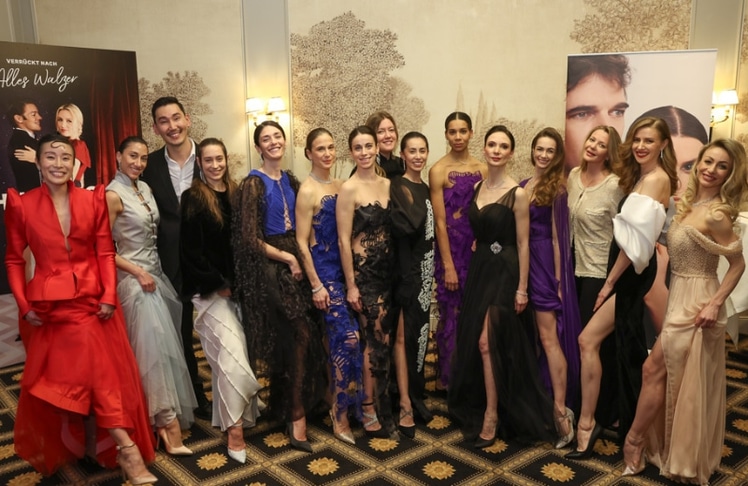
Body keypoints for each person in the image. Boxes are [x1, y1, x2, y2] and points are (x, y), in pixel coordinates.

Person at [5, 134, 157, 483]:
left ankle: (109, 445)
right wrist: (24, 304)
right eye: (50, 157)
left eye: (65, 157)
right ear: (38, 162)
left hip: (94, 303)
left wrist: (108, 295)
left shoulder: (93, 200)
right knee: (94, 374)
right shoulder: (22, 205)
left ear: (74, 163)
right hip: (51, 309)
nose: (58, 164)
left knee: (95, 374)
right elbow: (13, 259)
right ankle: (125, 448)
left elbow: (105, 252)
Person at [620, 139, 748, 484]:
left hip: (697, 302)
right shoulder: (688, 204)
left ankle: (635, 441)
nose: (711, 170)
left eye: (722, 166)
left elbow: (738, 265)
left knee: (655, 369)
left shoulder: (717, 213)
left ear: (730, 173)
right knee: (673, 375)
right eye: (708, 161)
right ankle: (667, 447)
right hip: (679, 293)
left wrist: (715, 303)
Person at [567, 117, 677, 460]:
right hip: (624, 273)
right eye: (637, 139)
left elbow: (634, 246)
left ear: (663, 144)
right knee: (615, 348)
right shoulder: (642, 176)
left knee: (611, 349)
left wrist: (609, 284)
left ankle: (606, 428)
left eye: (649, 140)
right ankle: (611, 423)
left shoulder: (656, 179)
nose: (641, 146)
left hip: (627, 275)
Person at [448, 125, 555, 448]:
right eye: (492, 145)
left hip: (506, 272)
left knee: (487, 342)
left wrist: (522, 288)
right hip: (481, 270)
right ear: (484, 149)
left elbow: (523, 243)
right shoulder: (477, 187)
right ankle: (489, 405)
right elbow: (478, 230)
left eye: (503, 146)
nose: (496, 150)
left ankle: (492, 415)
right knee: (480, 342)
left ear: (511, 153)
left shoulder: (517, 193)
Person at [232, 120, 326, 453]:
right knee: (298, 332)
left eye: (277, 136)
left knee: (301, 338)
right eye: (265, 138)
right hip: (271, 269)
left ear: (284, 141)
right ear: (258, 147)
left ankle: (294, 404)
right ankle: (296, 414)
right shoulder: (252, 184)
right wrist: (287, 258)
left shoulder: (290, 179)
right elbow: (249, 238)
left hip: (296, 259)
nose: (273, 142)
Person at [106, 136, 197, 456]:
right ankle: (165, 425)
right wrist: (137, 272)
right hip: (135, 282)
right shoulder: (112, 194)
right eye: (132, 156)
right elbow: (101, 248)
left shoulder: (144, 188)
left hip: (156, 277)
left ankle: (161, 423)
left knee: (164, 351)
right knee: (152, 355)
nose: (138, 163)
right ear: (118, 156)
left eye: (143, 158)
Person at [181, 138, 263, 463]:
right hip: (210, 293)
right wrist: (218, 283)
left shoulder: (235, 193)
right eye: (208, 160)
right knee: (231, 358)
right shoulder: (193, 198)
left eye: (219, 159)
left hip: (239, 290)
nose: (215, 165)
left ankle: (234, 415)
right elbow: (190, 254)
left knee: (232, 356)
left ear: (227, 160)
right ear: (199, 163)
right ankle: (235, 431)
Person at [141, 96, 211, 420]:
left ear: (188, 119)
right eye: (163, 121)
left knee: (220, 331)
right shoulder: (149, 165)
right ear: (156, 128)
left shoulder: (209, 157)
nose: (172, 126)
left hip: (208, 262)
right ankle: (194, 397)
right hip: (169, 264)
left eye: (176, 118)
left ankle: (234, 396)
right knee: (179, 336)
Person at [295, 128, 362, 445]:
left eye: (331, 147)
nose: (327, 153)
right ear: (309, 153)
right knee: (347, 340)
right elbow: (301, 242)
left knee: (336, 341)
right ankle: (340, 413)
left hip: (346, 270)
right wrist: (315, 285)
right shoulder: (307, 191)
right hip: (324, 275)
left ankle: (332, 396)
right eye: (320, 149)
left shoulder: (341, 185)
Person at [520, 128, 581, 448]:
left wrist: (558, 281)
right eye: (539, 149)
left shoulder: (558, 188)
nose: (543, 155)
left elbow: (559, 240)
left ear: (556, 156)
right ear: (532, 151)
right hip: (521, 264)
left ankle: (561, 410)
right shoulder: (523, 185)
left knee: (548, 338)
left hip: (543, 264)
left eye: (550, 150)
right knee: (528, 339)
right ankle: (536, 404)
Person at [337, 125, 396, 439]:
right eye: (358, 148)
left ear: (376, 148)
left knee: (383, 338)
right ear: (352, 152)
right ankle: (369, 404)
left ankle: (381, 400)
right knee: (372, 340)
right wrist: (351, 285)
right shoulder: (349, 189)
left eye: (368, 146)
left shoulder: (387, 184)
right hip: (364, 275)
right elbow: (344, 241)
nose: (364, 152)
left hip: (388, 273)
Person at [567, 126, 625, 428]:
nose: (593, 146)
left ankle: (601, 411)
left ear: (609, 152)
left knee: (593, 344)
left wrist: (611, 282)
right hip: (571, 270)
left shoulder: (615, 186)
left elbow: (623, 237)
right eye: (591, 139)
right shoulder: (573, 176)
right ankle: (578, 403)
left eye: (601, 144)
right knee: (574, 339)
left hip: (599, 273)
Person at [428, 112, 486, 388]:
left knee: (474, 312)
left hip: (476, 251)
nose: (458, 137)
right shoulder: (438, 170)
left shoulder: (483, 169)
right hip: (450, 252)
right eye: (453, 132)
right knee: (451, 313)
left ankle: (472, 380)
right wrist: (449, 265)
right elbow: (440, 223)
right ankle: (450, 381)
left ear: (471, 133)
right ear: (446, 135)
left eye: (463, 131)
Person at [390, 131, 435, 437]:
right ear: (403, 155)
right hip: (407, 273)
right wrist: (407, 279)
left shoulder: (426, 187)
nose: (418, 156)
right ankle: (404, 401)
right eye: (412, 151)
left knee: (420, 337)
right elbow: (406, 228)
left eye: (422, 150)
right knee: (403, 337)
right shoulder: (398, 185)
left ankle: (415, 394)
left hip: (425, 272)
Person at [565, 54, 631, 171]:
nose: (606, 131)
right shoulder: (573, 176)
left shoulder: (622, 181)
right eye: (582, 114)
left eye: (617, 112)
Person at [6, 100, 43, 192]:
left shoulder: (29, 140)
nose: (39, 117)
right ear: (19, 118)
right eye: (33, 114)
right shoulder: (21, 144)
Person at [55, 103, 92, 187]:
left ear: (78, 123)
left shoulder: (78, 145)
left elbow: (69, 179)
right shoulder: (62, 144)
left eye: (69, 121)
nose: (63, 125)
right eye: (60, 120)